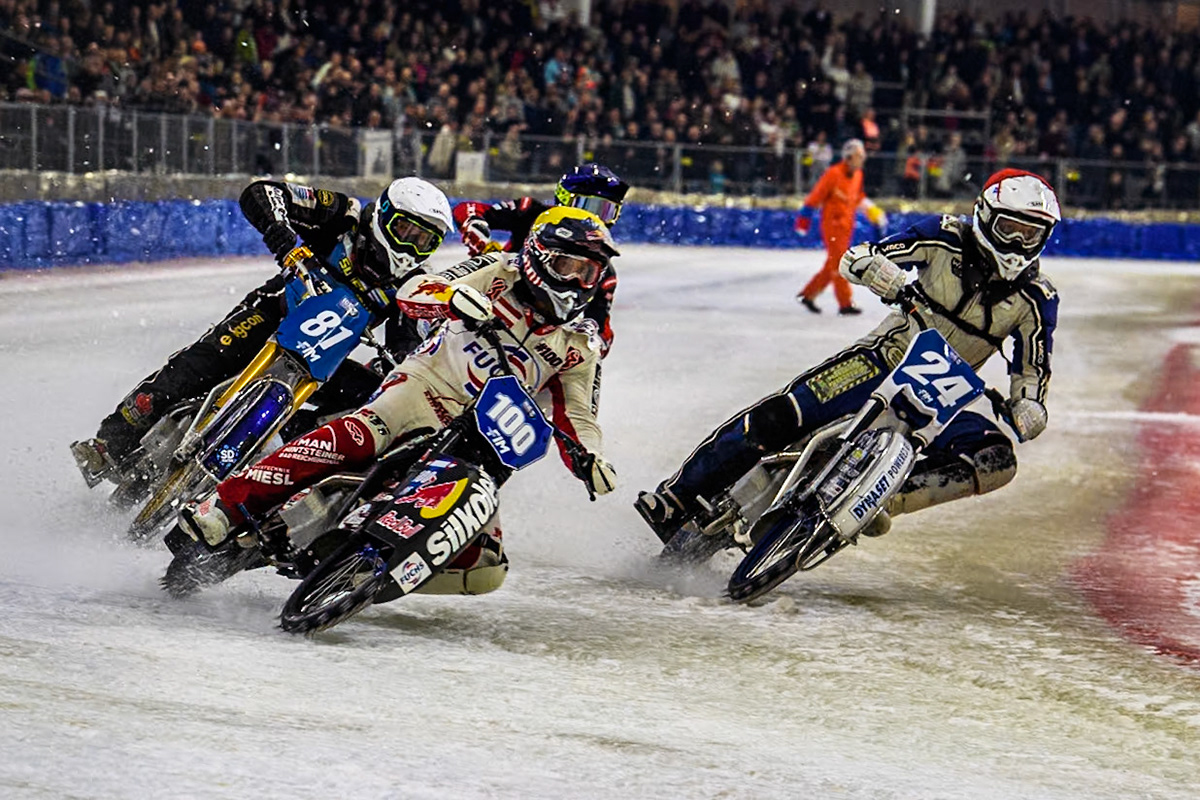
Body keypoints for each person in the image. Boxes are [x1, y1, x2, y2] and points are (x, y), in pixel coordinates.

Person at [178, 207, 621, 596]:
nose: (578, 282)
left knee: (484, 569)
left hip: (481, 441)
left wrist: (592, 457)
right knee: (354, 437)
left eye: (590, 274)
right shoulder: (497, 271)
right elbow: (416, 291)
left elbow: (579, 413)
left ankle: (371, 562)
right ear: (539, 256)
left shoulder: (579, 345)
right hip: (423, 389)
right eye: (569, 266)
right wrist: (451, 298)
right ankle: (225, 504)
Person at [636, 169, 1060, 545]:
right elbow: (859, 255)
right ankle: (677, 496)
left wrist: (1028, 406)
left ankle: (883, 500)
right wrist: (882, 273)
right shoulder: (943, 235)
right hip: (884, 357)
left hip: (946, 394)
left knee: (996, 459)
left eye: (1033, 233)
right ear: (984, 216)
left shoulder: (1037, 298)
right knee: (784, 414)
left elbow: (1032, 370)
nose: (1020, 244)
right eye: (1011, 228)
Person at [70, 176, 453, 488]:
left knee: (372, 397)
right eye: (406, 231)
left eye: (425, 240)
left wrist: (403, 364)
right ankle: (110, 443)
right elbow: (263, 193)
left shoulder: (413, 283)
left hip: (328, 355)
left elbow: (408, 345)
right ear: (383, 215)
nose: (411, 246)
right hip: (275, 311)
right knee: (195, 366)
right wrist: (283, 239)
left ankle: (292, 451)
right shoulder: (344, 214)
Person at [452, 162, 629, 354]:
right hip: (488, 307)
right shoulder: (532, 213)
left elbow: (602, 334)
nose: (593, 218)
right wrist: (476, 227)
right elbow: (468, 209)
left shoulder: (604, 270)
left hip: (534, 345)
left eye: (605, 211)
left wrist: (586, 341)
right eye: (587, 206)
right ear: (564, 198)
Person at [794, 138, 889, 315]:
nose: (862, 160)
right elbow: (817, 195)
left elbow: (858, 197)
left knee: (832, 264)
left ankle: (807, 295)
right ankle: (845, 303)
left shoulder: (858, 175)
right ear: (849, 157)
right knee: (839, 264)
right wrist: (804, 219)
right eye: (859, 156)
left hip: (846, 227)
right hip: (832, 226)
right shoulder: (833, 173)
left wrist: (872, 210)